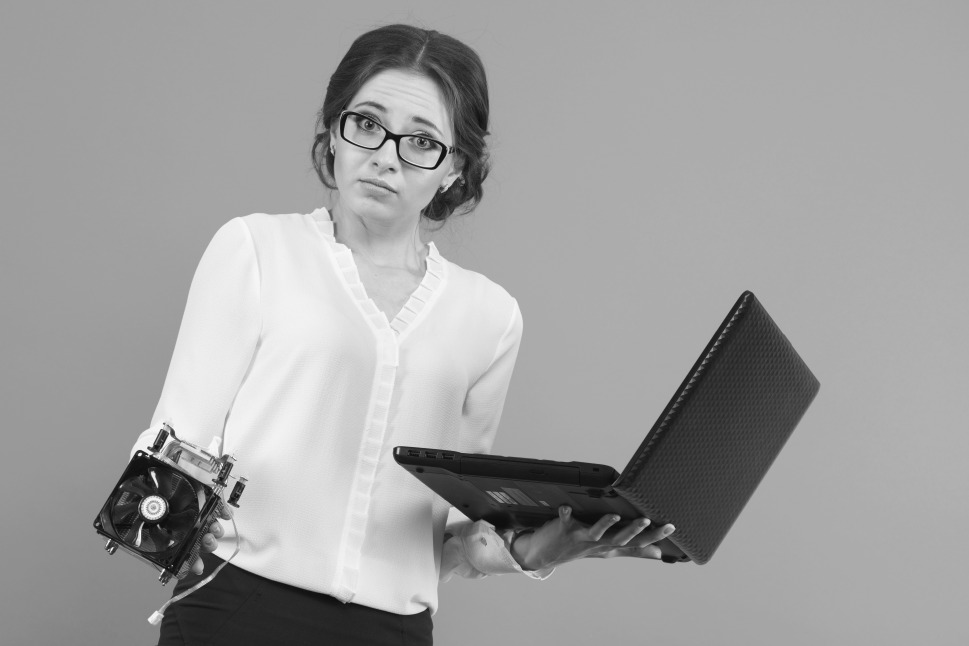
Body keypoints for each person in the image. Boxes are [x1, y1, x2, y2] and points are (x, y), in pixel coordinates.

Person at [133, 24, 675, 646]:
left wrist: (537, 548)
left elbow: (441, 537)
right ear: (333, 132)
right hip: (234, 606)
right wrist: (172, 521)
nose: (386, 155)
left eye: (422, 141)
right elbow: (169, 448)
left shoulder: (489, 318)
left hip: (392, 630)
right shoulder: (256, 250)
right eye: (366, 123)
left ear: (455, 170)